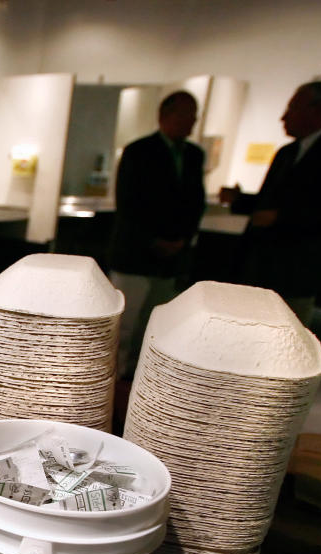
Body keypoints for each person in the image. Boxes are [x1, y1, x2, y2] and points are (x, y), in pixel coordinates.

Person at [219, 81, 321, 326]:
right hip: (260, 265)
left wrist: (281, 218)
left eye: (293, 108)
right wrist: (240, 200)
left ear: (315, 111)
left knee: (284, 338)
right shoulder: (286, 153)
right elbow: (270, 201)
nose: (284, 117)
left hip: (296, 269)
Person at [108, 90, 206, 379]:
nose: (191, 122)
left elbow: (194, 203)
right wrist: (152, 240)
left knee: (155, 325)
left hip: (170, 258)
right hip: (135, 255)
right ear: (165, 115)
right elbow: (128, 204)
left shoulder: (193, 155)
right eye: (185, 115)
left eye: (194, 116)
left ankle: (142, 379)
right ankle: (114, 382)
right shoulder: (139, 151)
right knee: (123, 326)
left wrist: (182, 240)